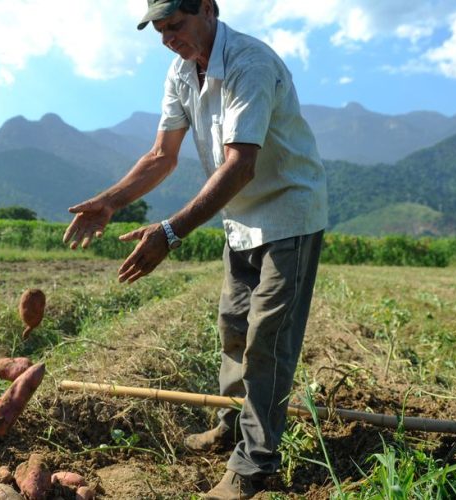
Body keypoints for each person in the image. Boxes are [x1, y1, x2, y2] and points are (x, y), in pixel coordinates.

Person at [62, 0, 328, 497]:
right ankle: (233, 426)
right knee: (233, 328)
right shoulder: (182, 70)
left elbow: (241, 165)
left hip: (288, 214)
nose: (168, 38)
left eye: (176, 26)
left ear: (207, 8)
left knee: (267, 340)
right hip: (239, 218)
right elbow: (162, 155)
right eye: (160, 31)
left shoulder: (250, 63)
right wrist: (109, 201)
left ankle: (253, 468)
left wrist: (170, 231)